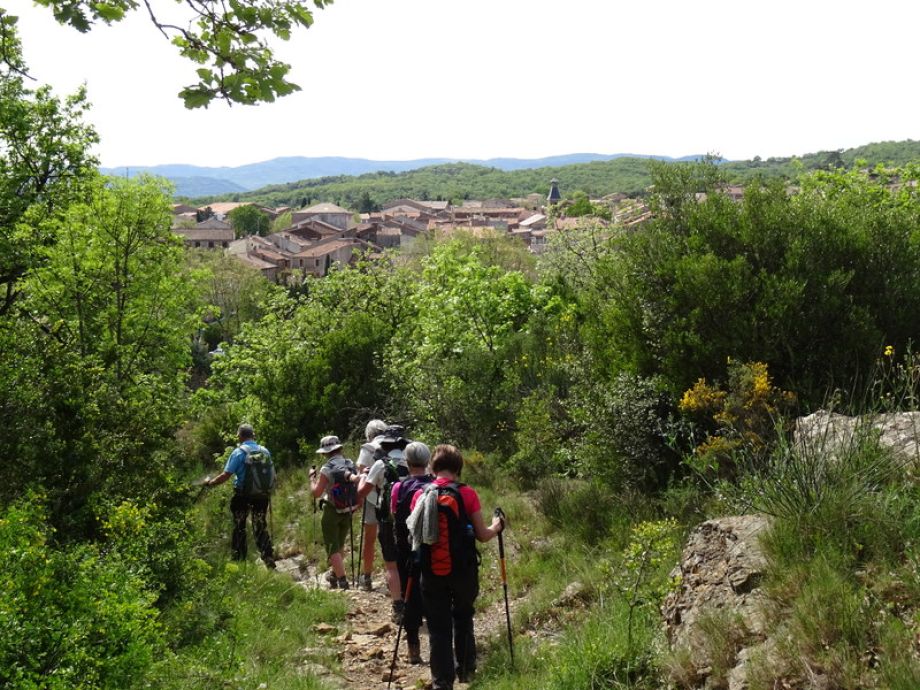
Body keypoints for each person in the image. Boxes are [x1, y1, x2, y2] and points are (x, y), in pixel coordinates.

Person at [407, 444, 504, 690]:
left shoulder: (420, 494)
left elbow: (415, 536)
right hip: (463, 569)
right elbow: (482, 535)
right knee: (463, 616)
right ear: (458, 469)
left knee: (438, 627)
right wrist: (497, 526)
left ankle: (442, 682)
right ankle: (466, 671)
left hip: (430, 571)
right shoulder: (467, 493)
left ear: (433, 467)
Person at [355, 425, 409, 621]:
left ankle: (398, 606)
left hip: (387, 518)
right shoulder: (414, 461)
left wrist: (362, 476)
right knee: (410, 559)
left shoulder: (380, 464)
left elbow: (361, 491)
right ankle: (414, 600)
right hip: (412, 519)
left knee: (391, 565)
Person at [206, 423, 276, 568]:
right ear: (253, 435)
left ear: (240, 436)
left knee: (239, 526)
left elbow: (226, 475)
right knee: (260, 525)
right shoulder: (265, 451)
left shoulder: (238, 452)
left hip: (242, 496)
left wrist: (211, 483)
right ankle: (268, 556)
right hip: (262, 496)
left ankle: (239, 560)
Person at [391, 440, 433, 665]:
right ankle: (439, 646)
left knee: (409, 597)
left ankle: (413, 649)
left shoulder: (399, 488)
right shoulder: (436, 486)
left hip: (406, 551)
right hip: (432, 551)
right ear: (428, 462)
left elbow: (394, 514)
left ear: (406, 463)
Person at [309, 435, 358, 590]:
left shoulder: (326, 469)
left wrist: (311, 478)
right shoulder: (350, 464)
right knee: (340, 544)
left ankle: (342, 580)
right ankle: (335, 573)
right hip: (348, 509)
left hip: (332, 510)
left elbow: (316, 493)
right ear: (340, 448)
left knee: (332, 546)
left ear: (324, 453)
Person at [355, 418, 388, 591]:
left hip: (372, 498)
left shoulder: (367, 449)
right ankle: (395, 575)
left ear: (369, 434)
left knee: (369, 538)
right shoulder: (396, 445)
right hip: (394, 498)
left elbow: (361, 474)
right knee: (393, 537)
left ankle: (366, 577)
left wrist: (358, 499)